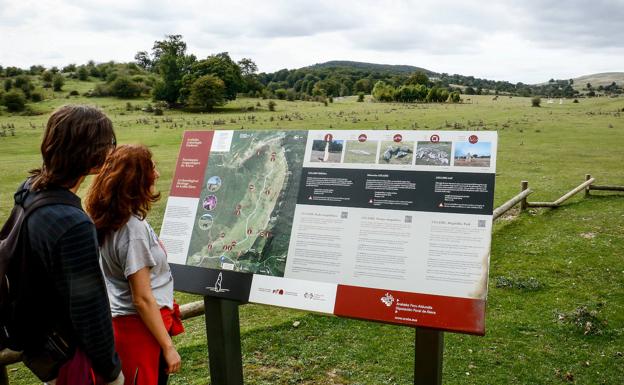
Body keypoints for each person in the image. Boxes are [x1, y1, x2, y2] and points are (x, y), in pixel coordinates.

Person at [20, 105, 124, 384]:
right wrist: (112, 371)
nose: (111, 151)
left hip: (41, 344)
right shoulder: (73, 224)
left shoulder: (29, 190)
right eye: (108, 144)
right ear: (90, 153)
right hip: (70, 356)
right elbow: (89, 309)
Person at [86, 144, 183, 385]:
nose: (157, 174)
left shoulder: (108, 221)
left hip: (122, 327)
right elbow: (142, 298)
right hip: (141, 332)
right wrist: (168, 347)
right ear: (135, 180)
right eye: (151, 168)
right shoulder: (133, 230)